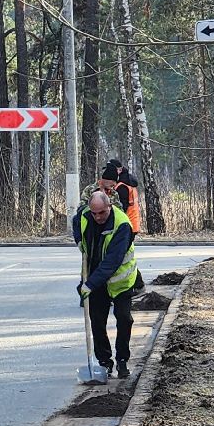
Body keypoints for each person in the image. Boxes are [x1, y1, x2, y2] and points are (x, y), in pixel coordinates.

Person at [74, 186, 141, 380]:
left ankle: (122, 360)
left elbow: (112, 261)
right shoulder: (85, 216)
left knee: (124, 318)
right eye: (94, 213)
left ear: (109, 206)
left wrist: (90, 284)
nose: (97, 217)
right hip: (95, 278)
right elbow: (75, 223)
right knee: (97, 320)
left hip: (120, 281)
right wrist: (79, 241)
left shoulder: (122, 225)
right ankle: (104, 362)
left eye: (101, 212)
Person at [99, 158, 143, 233]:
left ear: (119, 170)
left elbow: (120, 209)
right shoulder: (128, 181)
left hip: (125, 224)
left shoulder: (121, 186)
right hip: (131, 223)